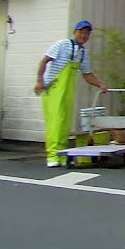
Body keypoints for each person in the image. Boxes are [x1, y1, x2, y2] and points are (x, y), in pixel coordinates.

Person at [34, 20, 108, 167]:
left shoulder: (83, 53)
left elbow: (87, 74)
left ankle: (61, 155)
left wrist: (100, 84)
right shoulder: (62, 45)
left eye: (87, 33)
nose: (83, 35)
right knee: (55, 122)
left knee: (64, 122)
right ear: (75, 32)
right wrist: (39, 81)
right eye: (81, 32)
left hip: (67, 90)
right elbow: (44, 61)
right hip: (53, 88)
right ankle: (52, 156)